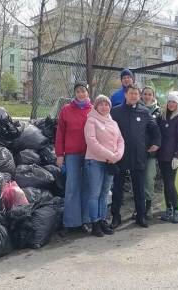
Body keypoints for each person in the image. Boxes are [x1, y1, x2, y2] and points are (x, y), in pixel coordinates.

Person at [110, 84, 161, 228]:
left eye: (136, 94)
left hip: (139, 155)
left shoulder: (144, 112)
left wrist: (156, 143)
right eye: (131, 93)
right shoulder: (115, 112)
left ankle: (141, 216)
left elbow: (155, 129)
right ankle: (116, 217)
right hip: (120, 156)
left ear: (139, 97)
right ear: (125, 94)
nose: (133, 96)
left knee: (139, 188)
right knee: (118, 189)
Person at [83, 95, 124, 237]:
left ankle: (102, 220)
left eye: (106, 104)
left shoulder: (113, 123)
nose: (104, 107)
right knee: (95, 194)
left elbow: (120, 141)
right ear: (96, 106)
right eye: (101, 104)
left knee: (105, 194)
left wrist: (117, 156)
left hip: (110, 162)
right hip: (95, 162)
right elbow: (92, 143)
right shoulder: (91, 121)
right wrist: (110, 155)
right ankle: (94, 223)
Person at [55, 81, 92, 234]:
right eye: (78, 91)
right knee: (71, 188)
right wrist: (59, 154)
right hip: (72, 155)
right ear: (75, 93)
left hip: (90, 155)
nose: (81, 94)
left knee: (88, 188)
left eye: (83, 91)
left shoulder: (94, 109)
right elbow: (60, 133)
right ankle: (70, 223)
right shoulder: (66, 110)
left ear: (87, 93)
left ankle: (85, 221)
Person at [157, 91, 178, 223]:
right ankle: (168, 210)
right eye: (169, 101)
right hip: (162, 155)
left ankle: (176, 210)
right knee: (166, 183)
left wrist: (176, 156)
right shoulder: (162, 117)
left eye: (174, 102)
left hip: (172, 157)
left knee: (170, 183)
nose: (171, 104)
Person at [141, 86, 161, 219]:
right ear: (141, 96)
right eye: (145, 94)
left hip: (151, 153)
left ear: (153, 96)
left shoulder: (159, 112)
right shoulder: (136, 109)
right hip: (137, 152)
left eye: (150, 94)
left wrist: (157, 145)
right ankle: (139, 207)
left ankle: (148, 207)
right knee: (138, 181)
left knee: (148, 179)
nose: (147, 96)